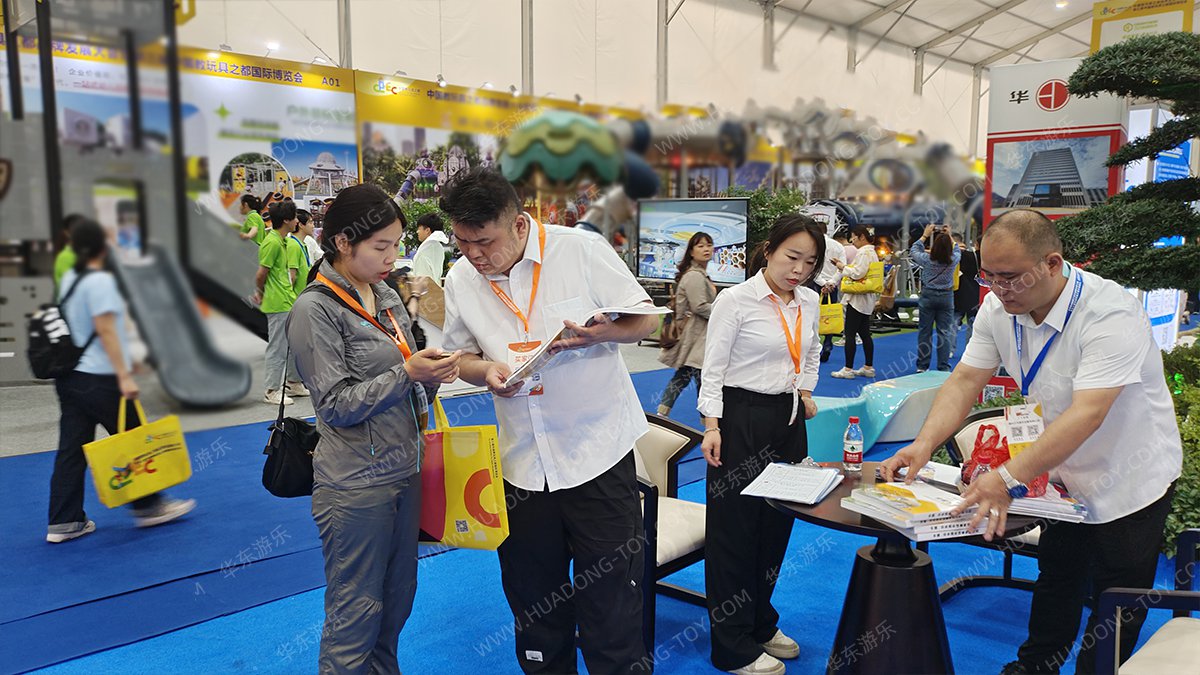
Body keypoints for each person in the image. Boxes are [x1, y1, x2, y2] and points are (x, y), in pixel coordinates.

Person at [880, 210, 1182, 675]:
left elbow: (1089, 413)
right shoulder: (998, 309)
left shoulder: (1110, 313)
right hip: (1062, 472)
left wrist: (1005, 479)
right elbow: (965, 380)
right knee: (1058, 575)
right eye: (988, 276)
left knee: (1116, 599)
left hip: (1130, 475)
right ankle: (1035, 666)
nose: (998, 289)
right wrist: (923, 444)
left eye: (1010, 277)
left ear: (1052, 263)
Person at [439, 167, 656, 674]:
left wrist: (604, 333)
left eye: (484, 242)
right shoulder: (461, 278)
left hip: (597, 456)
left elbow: (645, 319)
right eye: (463, 242)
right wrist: (485, 371)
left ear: (519, 224)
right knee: (534, 603)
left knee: (611, 604)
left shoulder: (580, 250)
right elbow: (459, 356)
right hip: (521, 466)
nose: (474, 255)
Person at [287, 184, 459, 674]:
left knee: (396, 602)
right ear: (343, 242)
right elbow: (335, 405)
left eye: (396, 245)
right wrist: (406, 374)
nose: (392, 257)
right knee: (355, 614)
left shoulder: (384, 295)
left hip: (405, 469)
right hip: (355, 485)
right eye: (381, 246)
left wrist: (432, 374)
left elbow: (409, 375)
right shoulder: (314, 310)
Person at [698, 215, 824, 675]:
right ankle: (730, 643)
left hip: (788, 420)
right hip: (740, 418)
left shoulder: (809, 300)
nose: (799, 270)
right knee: (735, 532)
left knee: (776, 525)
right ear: (768, 251)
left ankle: (759, 621)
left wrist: (805, 390)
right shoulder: (735, 300)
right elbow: (713, 368)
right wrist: (712, 425)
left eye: (810, 262)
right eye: (792, 257)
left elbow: (811, 350)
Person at [47, 218, 195, 543]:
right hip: (102, 378)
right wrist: (125, 375)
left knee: (71, 451)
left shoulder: (71, 277)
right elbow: (106, 330)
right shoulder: (99, 281)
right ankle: (149, 507)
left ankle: (63, 521)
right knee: (134, 440)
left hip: (71, 378)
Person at [656, 231, 717, 417]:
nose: (706, 249)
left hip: (697, 334)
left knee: (689, 375)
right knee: (699, 377)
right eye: (701, 246)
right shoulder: (695, 276)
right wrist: (722, 312)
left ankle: (663, 413)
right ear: (691, 251)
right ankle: (707, 422)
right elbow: (699, 306)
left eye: (709, 245)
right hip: (695, 334)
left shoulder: (699, 274)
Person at [253, 200, 305, 405]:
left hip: (287, 300)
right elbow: (261, 274)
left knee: (294, 345)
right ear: (286, 220)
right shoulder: (272, 242)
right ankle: (271, 389)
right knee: (278, 347)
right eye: (294, 218)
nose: (297, 221)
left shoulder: (282, 242)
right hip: (277, 303)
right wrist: (261, 292)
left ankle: (293, 382)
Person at [911, 224, 961, 372]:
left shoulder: (927, 259)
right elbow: (957, 249)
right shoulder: (953, 259)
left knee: (924, 332)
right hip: (946, 296)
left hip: (928, 295)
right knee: (944, 333)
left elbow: (914, 250)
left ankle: (922, 366)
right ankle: (943, 366)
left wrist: (925, 235)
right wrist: (950, 235)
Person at [830, 226, 879, 379]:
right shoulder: (872, 252)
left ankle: (848, 368)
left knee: (850, 333)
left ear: (861, 237)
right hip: (866, 297)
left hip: (857, 298)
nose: (852, 240)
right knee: (864, 333)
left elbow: (858, 273)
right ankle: (868, 366)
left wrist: (842, 267)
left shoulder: (863, 252)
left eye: (854, 237)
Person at [409, 212, 451, 349]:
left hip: (425, 297)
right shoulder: (437, 246)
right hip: (435, 293)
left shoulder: (427, 247)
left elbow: (422, 275)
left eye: (419, 228)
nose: (417, 232)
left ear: (427, 230)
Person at [815, 229, 846, 363]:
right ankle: (828, 343)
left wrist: (823, 283)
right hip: (832, 285)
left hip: (816, 284)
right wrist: (832, 282)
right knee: (830, 315)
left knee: (814, 315)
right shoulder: (838, 246)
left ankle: (815, 346)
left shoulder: (814, 244)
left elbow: (812, 267)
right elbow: (842, 267)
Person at [951, 233, 981, 359]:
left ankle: (950, 350)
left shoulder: (964, 255)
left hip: (960, 292)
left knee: (954, 322)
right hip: (976, 293)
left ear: (976, 244)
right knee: (972, 324)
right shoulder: (986, 258)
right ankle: (970, 350)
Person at [287, 209, 313, 299]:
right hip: (295, 299)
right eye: (310, 222)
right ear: (301, 225)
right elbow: (291, 277)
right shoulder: (293, 245)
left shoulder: (302, 244)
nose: (313, 226)